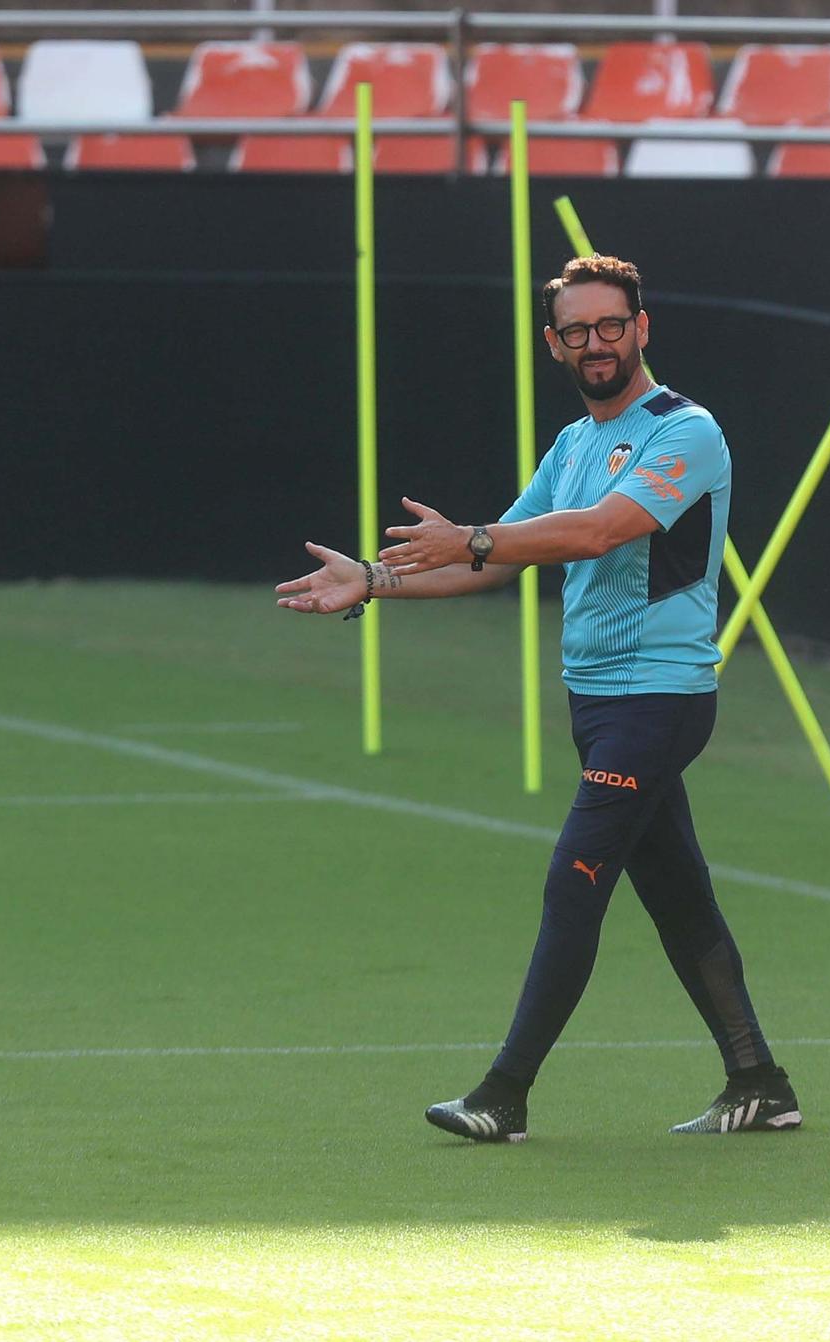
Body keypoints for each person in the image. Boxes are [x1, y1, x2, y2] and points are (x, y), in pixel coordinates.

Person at [276, 254, 799, 1143]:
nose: (595, 344)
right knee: (679, 895)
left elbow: (595, 533)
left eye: (609, 326)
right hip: (597, 703)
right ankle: (759, 1080)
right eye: (575, 332)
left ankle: (503, 1094)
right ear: (553, 345)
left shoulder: (687, 430)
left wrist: (473, 538)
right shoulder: (574, 444)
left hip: (657, 700)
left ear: (642, 327)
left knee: (575, 879)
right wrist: (371, 581)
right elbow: (504, 555)